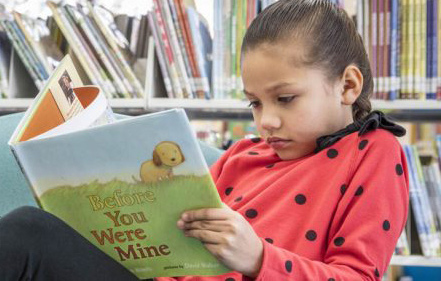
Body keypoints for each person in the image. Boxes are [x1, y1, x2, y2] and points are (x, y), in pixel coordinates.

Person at [0, 0, 409, 280]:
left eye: (285, 99)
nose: (266, 120)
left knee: (25, 234)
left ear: (347, 85)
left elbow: (356, 275)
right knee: (29, 229)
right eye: (254, 103)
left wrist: (259, 259)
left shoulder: (373, 152)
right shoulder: (242, 155)